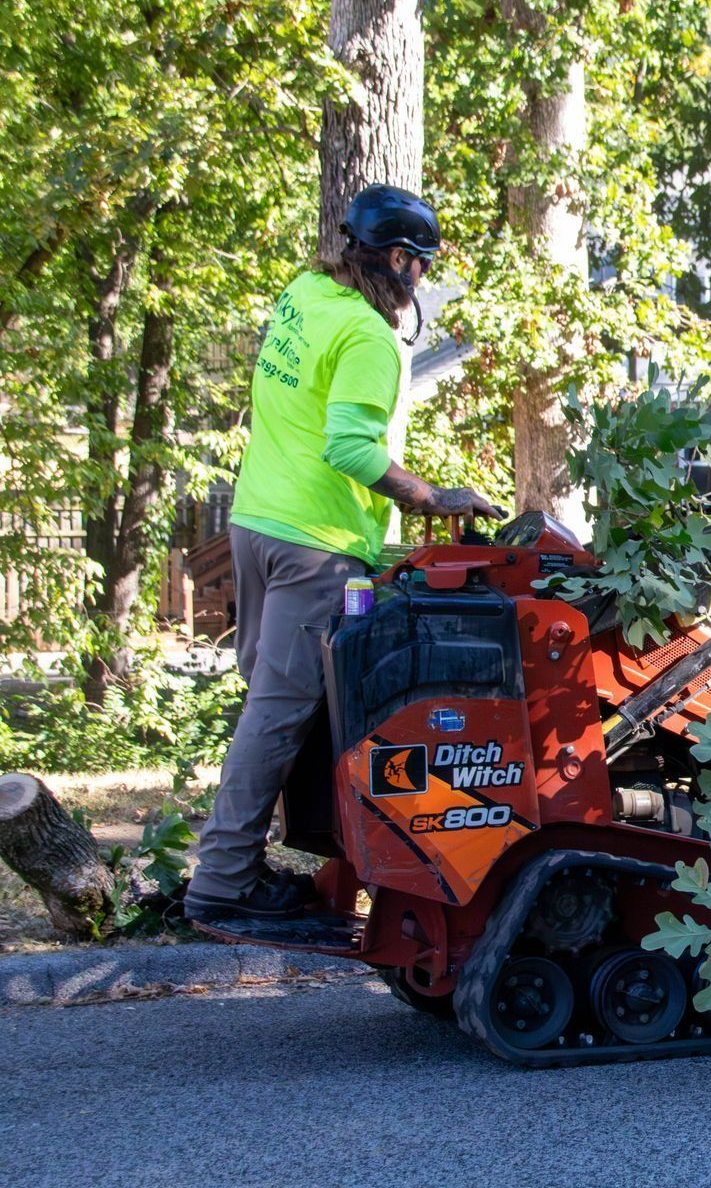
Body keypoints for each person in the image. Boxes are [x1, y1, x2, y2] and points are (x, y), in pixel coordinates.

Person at [183, 186, 507, 923]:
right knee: (280, 713)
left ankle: (284, 860)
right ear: (396, 258)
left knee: (274, 707)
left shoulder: (303, 295)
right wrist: (432, 497)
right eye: (418, 264)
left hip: (257, 525)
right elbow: (350, 447)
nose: (419, 278)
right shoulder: (367, 337)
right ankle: (223, 881)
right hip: (315, 549)